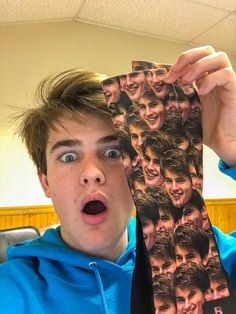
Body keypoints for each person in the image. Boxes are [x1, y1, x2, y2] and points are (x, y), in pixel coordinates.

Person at [0, 46, 236, 314]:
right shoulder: (12, 290)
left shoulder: (198, 249)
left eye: (112, 152)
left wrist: (234, 148)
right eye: (68, 156)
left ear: (136, 168)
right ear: (45, 182)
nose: (92, 172)